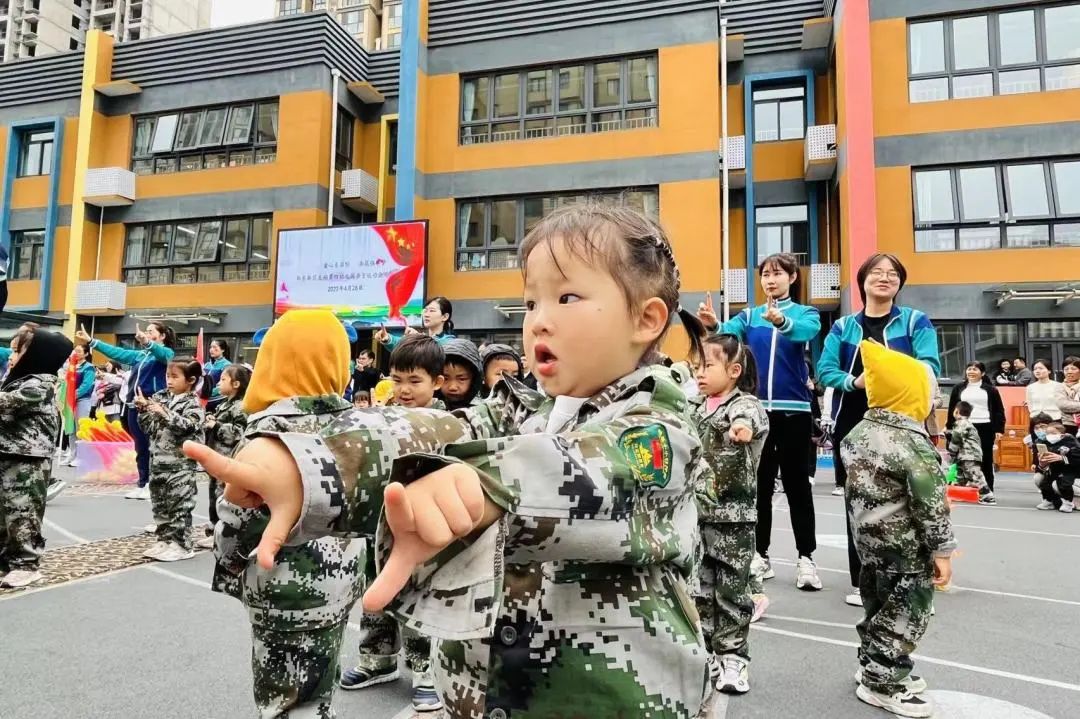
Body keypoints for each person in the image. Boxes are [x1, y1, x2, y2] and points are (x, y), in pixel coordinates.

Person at [186, 203, 712, 719]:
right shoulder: (521, 408)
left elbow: (599, 469)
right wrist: (311, 463)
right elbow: (432, 431)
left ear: (645, 319)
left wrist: (481, 486)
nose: (538, 322)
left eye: (566, 297)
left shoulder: (660, 426)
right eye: (531, 303)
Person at [212, 310, 372, 718]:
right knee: (319, 688)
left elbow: (239, 521)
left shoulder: (267, 432)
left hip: (283, 589)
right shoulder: (358, 425)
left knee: (284, 701)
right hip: (342, 583)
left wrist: (228, 561)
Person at [818, 253, 941, 609]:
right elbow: (825, 370)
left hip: (903, 422)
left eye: (892, 274)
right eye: (877, 272)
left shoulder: (915, 321)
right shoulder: (843, 327)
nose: (884, 278)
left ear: (900, 283)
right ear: (863, 280)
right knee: (858, 501)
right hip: (854, 423)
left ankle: (914, 579)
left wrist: (890, 373)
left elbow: (929, 366)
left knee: (910, 498)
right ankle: (863, 580)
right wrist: (854, 381)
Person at [841, 340, 954, 718]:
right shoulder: (912, 443)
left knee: (877, 606)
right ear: (911, 394)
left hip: (869, 545)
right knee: (905, 615)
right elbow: (930, 504)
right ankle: (883, 682)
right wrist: (942, 551)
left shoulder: (857, 435)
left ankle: (870, 664)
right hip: (906, 549)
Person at [697, 253, 823, 592]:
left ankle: (806, 558)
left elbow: (807, 332)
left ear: (792, 278)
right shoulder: (750, 316)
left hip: (794, 410)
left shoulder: (805, 313)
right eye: (766, 274)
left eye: (777, 274)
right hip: (755, 412)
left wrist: (781, 321)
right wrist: (713, 325)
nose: (770, 279)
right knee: (759, 486)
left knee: (797, 486)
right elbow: (728, 337)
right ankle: (760, 554)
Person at [339, 332, 447, 712]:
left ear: (437, 382)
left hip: (421, 529)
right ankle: (377, 659)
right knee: (375, 593)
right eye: (397, 379)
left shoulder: (447, 423)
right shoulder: (383, 417)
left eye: (415, 381)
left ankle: (426, 671)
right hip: (379, 524)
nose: (403, 389)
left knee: (418, 597)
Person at [692, 333, 768, 695]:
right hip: (697, 515)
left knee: (733, 591)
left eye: (707, 365)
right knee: (701, 588)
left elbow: (748, 418)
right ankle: (708, 652)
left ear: (734, 371)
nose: (699, 373)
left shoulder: (744, 404)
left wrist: (743, 428)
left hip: (733, 518)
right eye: (696, 366)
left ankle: (734, 657)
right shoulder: (695, 408)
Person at [0, 328, 72, 588]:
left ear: (37, 355)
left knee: (23, 512)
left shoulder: (40, 385)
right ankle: (6, 561)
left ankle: (26, 564)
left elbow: (6, 402)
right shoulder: (17, 380)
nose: (11, 356)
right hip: (7, 454)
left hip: (28, 460)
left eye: (17, 351)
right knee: (4, 513)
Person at [76, 322, 176, 501]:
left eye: (150, 332)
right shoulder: (140, 355)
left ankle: (152, 484)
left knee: (150, 446)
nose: (146, 334)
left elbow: (161, 354)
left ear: (162, 336)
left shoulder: (166, 353)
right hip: (132, 405)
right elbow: (117, 353)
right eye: (146, 331)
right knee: (139, 446)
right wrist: (92, 341)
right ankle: (142, 483)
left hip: (151, 405)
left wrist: (147, 342)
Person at [134, 357, 205, 562]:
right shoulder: (161, 397)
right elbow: (149, 428)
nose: (169, 381)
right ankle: (165, 540)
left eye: (175, 377)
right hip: (158, 461)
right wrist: (143, 410)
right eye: (167, 376)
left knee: (179, 506)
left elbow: (188, 426)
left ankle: (182, 545)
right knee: (160, 505)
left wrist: (164, 413)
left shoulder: (193, 403)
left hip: (180, 464)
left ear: (191, 380)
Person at [196, 364, 251, 550]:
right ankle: (214, 530)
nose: (219, 383)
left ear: (236, 384)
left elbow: (240, 434)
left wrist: (217, 426)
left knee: (224, 497)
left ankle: (225, 532)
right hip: (216, 458)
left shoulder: (241, 407)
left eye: (223, 380)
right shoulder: (224, 404)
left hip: (228, 459)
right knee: (214, 495)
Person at [946, 362, 1006, 495]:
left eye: (975, 369)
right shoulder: (958, 388)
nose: (971, 371)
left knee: (985, 459)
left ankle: (987, 490)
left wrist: (999, 429)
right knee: (961, 458)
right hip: (963, 426)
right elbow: (952, 408)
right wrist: (949, 427)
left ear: (982, 373)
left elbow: (998, 410)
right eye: (969, 369)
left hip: (985, 426)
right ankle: (962, 489)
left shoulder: (991, 390)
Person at [946, 401, 995, 504]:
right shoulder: (965, 423)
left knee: (975, 475)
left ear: (956, 411)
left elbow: (957, 437)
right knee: (960, 474)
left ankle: (987, 496)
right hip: (964, 455)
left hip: (970, 454)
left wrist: (952, 450)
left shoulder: (962, 423)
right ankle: (959, 493)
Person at [375, 296, 456, 351]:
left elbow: (433, 350)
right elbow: (400, 345)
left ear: (445, 316)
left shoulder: (450, 343)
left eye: (432, 311)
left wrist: (417, 339)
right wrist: (388, 338)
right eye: (425, 310)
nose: (426, 314)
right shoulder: (424, 338)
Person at [60, 344, 96, 467]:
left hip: (82, 400)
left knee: (81, 429)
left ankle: (82, 457)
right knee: (71, 429)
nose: (76, 353)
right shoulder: (72, 366)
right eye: (75, 351)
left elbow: (87, 385)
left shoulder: (89, 367)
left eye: (79, 351)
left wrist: (74, 394)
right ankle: (72, 454)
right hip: (70, 401)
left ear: (86, 354)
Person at [1033, 420, 1078, 513]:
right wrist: (1042, 464)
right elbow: (1040, 467)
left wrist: (1063, 458)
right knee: (1045, 483)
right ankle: (1049, 501)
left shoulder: (1071, 443)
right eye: (1048, 433)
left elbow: (1077, 459)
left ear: (1062, 435)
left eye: (1053, 433)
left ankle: (1068, 503)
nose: (1050, 435)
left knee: (1063, 484)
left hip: (1070, 471)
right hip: (1054, 470)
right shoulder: (1044, 444)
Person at [439, 338, 484, 411]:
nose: (452, 387)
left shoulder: (483, 410)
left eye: (462, 379)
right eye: (445, 379)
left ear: (474, 379)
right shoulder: (429, 407)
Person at [202, 339, 233, 413]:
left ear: (223, 350)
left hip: (218, 400)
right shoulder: (207, 365)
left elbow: (226, 384)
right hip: (204, 399)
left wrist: (209, 392)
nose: (211, 350)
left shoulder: (227, 365)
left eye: (215, 347)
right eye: (211, 347)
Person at [1058, 356, 1080, 437]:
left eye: (1073, 369)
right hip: (1068, 425)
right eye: (1066, 369)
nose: (1069, 372)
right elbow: (1063, 405)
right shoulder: (1059, 387)